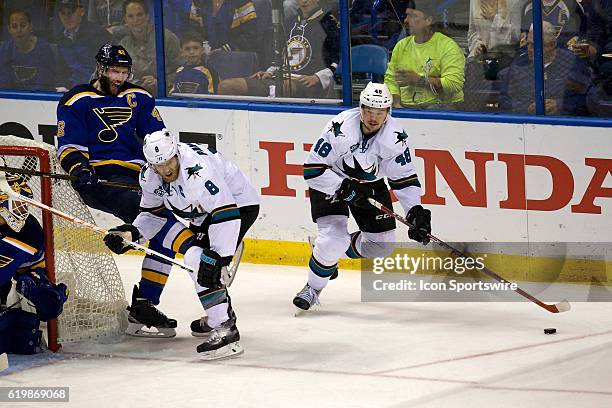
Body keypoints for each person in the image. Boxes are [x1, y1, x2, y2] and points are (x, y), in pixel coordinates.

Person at [103, 129, 260, 359]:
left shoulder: (197, 170)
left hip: (237, 205)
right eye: (159, 165)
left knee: (200, 261)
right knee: (194, 257)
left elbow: (225, 211)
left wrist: (219, 256)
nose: (166, 169)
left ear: (176, 152)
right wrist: (132, 234)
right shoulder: (150, 175)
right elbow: (153, 215)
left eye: (169, 162)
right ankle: (219, 311)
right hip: (201, 213)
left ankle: (225, 327)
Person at [56, 44, 180, 327]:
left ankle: (128, 241)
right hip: (100, 179)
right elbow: (68, 145)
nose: (119, 77)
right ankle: (145, 302)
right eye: (114, 71)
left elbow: (158, 138)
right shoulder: (76, 100)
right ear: (100, 69)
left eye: (124, 72)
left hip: (140, 178)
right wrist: (80, 168)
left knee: (169, 226)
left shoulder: (138, 97)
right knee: (165, 227)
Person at [293, 82, 432, 311]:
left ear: (388, 112)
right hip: (330, 180)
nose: (373, 117)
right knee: (333, 240)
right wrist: (341, 187)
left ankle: (326, 254)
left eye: (380, 112)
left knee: (382, 246)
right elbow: (312, 170)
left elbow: (404, 178)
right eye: (369, 110)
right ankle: (312, 288)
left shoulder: (395, 137)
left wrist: (415, 211)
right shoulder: (340, 128)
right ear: (361, 107)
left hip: (370, 185)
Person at [0, 174, 68, 355]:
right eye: (19, 204)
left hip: (24, 275)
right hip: (7, 280)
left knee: (42, 296)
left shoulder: (28, 232)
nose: (23, 209)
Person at [217, 0, 339, 98]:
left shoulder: (330, 23)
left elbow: (340, 60)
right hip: (279, 78)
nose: (304, 2)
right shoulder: (289, 23)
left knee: (285, 88)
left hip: (305, 82)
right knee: (226, 86)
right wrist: (269, 71)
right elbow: (280, 57)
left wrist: (318, 77)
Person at [384, 0, 465, 109]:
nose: (406, 20)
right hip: (406, 107)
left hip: (441, 108)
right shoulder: (401, 45)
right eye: (407, 15)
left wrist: (418, 80)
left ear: (428, 20)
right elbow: (390, 79)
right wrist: (397, 104)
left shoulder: (447, 46)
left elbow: (453, 84)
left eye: (413, 16)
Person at [499, 21, 593, 115]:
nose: (530, 50)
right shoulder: (519, 64)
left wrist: (560, 105)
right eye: (528, 44)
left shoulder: (572, 63)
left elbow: (588, 98)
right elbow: (505, 99)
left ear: (552, 45)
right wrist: (526, 108)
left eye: (535, 45)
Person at [119, 0, 181, 95]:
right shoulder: (123, 45)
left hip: (166, 97)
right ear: (125, 19)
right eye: (131, 16)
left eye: (140, 14)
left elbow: (182, 71)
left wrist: (159, 81)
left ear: (147, 16)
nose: (136, 20)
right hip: (135, 98)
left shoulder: (167, 38)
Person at [54, 0, 112, 89]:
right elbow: (61, 71)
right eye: (63, 13)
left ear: (82, 11)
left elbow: (107, 68)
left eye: (71, 12)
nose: (67, 17)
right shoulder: (59, 38)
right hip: (69, 90)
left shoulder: (98, 34)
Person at [0, 9, 56, 91]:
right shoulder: (5, 50)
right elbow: (4, 83)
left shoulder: (44, 50)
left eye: (23, 25)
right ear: (9, 29)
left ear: (30, 26)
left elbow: (43, 84)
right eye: (14, 26)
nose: (19, 30)